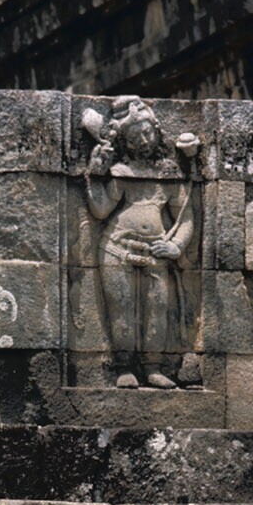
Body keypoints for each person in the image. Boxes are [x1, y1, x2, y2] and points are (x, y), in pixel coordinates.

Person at [84, 97, 196, 389]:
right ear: (125, 142)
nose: (144, 141)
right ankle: (124, 367)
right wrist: (94, 174)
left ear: (157, 130)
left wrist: (176, 246)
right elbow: (101, 210)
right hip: (117, 248)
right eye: (135, 137)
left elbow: (185, 219)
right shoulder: (122, 172)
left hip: (156, 251)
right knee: (122, 310)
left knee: (158, 310)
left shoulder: (169, 174)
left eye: (148, 133)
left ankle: (153, 367)